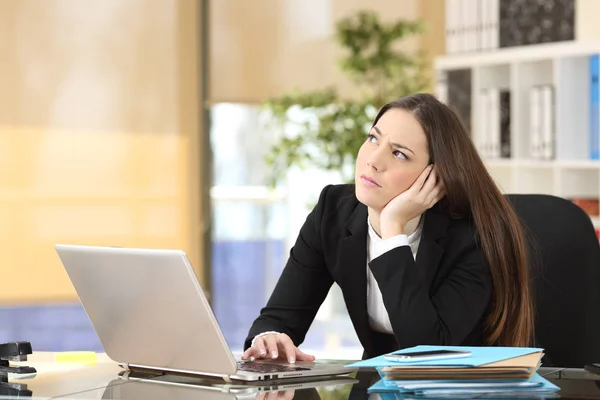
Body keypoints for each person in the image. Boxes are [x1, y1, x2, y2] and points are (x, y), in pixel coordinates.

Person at [242, 93, 534, 364]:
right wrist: (269, 338)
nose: (373, 160)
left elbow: (427, 354)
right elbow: (280, 318)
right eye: (373, 138)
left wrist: (392, 229)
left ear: (434, 177)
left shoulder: (473, 237)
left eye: (399, 154)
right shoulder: (333, 212)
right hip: (374, 387)